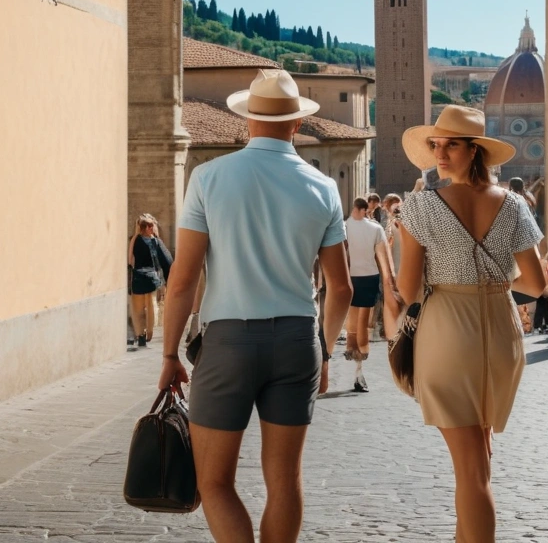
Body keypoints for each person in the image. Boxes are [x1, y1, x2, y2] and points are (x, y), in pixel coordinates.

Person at [157, 69, 354, 543]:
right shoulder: (323, 187)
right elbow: (340, 288)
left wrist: (168, 355)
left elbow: (183, 280)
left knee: (214, 481)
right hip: (297, 339)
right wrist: (324, 351)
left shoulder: (208, 178)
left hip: (229, 340)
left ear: (247, 120)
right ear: (296, 125)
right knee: (285, 480)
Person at [396, 105, 546, 543]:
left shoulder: (420, 206)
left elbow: (408, 291)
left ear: (475, 150)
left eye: (451, 145)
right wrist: (494, 279)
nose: (440, 154)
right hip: (501, 328)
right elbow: (536, 285)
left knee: (473, 472)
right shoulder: (515, 205)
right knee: (479, 462)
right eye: (436, 145)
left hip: (447, 330)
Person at [343, 197, 398, 392]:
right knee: (364, 322)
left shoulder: (344, 227)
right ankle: (359, 369)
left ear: (353, 209)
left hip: (350, 277)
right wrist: (390, 283)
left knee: (352, 319)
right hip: (369, 276)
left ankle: (353, 355)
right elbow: (384, 259)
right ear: (366, 210)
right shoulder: (375, 229)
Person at [128, 213, 173, 348]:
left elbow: (165, 262)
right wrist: (136, 235)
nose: (148, 228)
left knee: (151, 307)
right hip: (139, 278)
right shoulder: (136, 240)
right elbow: (130, 259)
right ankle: (141, 335)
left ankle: (148, 333)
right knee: (138, 310)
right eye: (144, 225)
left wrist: (165, 282)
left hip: (152, 279)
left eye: (150, 225)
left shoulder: (156, 241)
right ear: (140, 227)